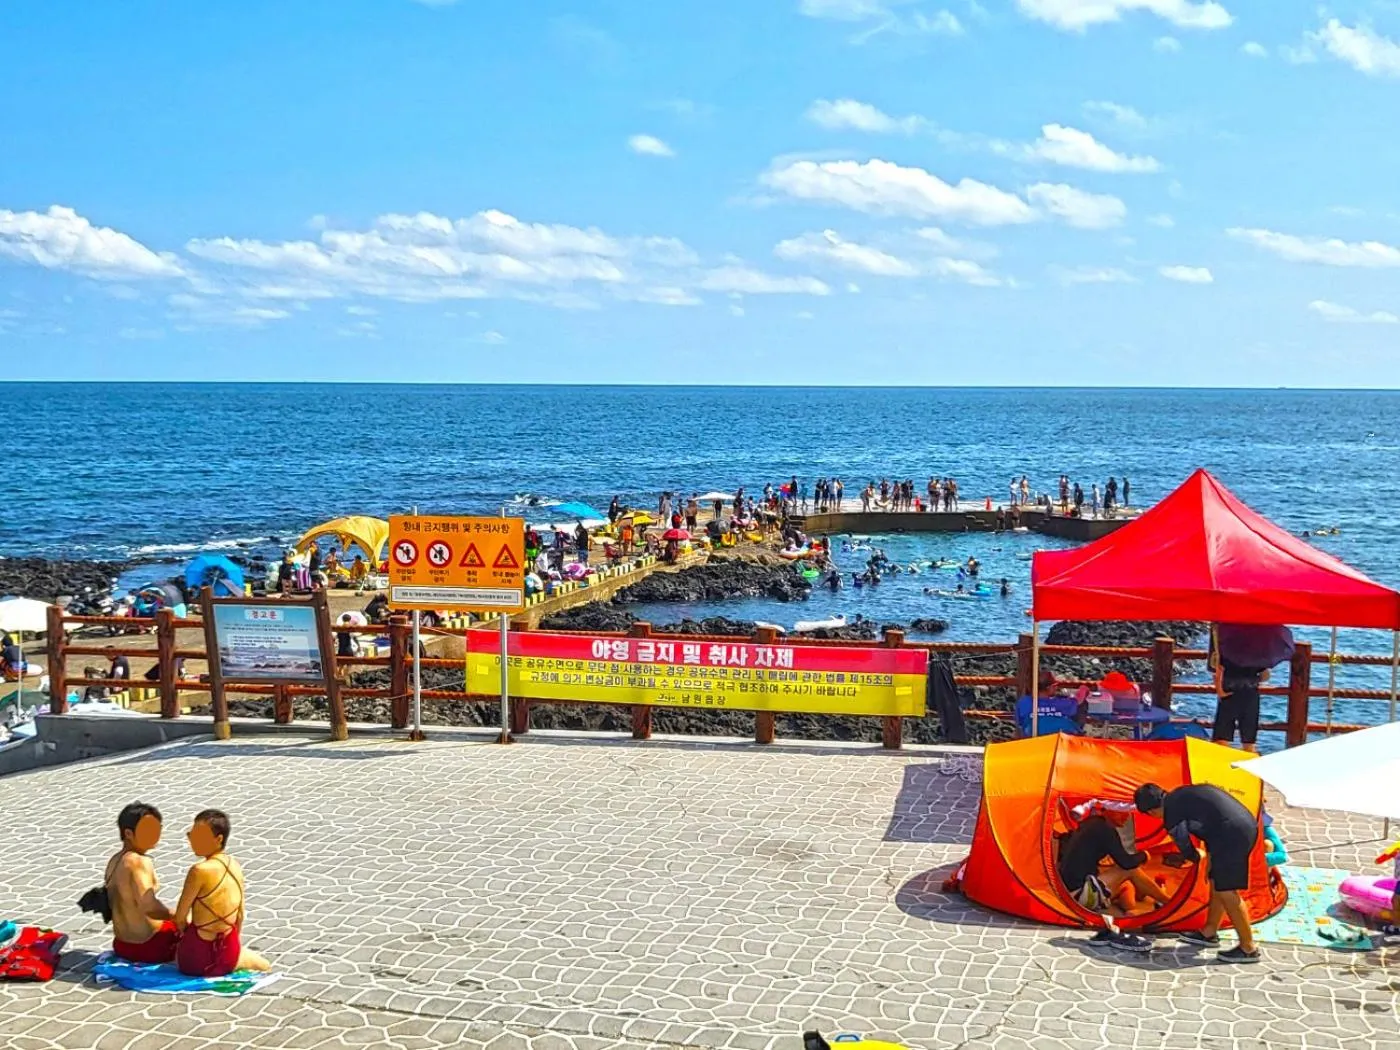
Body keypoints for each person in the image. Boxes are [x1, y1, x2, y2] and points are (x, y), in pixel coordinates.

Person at [1134, 782, 1262, 963]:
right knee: (1216, 880)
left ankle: (1248, 947)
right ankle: (1209, 932)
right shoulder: (1181, 793)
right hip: (1239, 825)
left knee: (1227, 890)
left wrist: (1195, 858)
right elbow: (1212, 820)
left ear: (1151, 812)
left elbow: (1185, 847)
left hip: (1232, 834)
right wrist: (1209, 858)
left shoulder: (1171, 813)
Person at [172, 809, 270, 977]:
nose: (193, 841)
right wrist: (232, 946)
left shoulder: (198, 871)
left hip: (196, 958)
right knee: (265, 965)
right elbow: (240, 916)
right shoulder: (235, 866)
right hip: (228, 952)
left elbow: (180, 918)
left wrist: (186, 936)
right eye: (191, 835)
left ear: (219, 839)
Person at [1055, 804, 1171, 924]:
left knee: (1127, 885)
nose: (1126, 817)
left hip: (1069, 892)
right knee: (1130, 870)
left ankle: (1132, 910)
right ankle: (1168, 902)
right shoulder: (1105, 830)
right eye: (1121, 812)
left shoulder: (1092, 823)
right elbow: (1126, 863)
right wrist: (1144, 855)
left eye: (1128, 813)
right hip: (1079, 896)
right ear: (1107, 809)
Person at [104, 801, 179, 964]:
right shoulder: (138, 862)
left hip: (122, 945)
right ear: (129, 834)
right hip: (150, 946)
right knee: (198, 917)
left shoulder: (114, 860)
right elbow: (150, 907)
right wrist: (178, 916)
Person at [1211, 648, 1266, 753]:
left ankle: (1220, 767)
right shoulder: (1258, 648)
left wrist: (1220, 691)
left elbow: (1217, 671)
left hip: (1229, 693)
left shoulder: (1224, 644)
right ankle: (1249, 767)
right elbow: (1265, 675)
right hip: (1250, 694)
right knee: (1249, 742)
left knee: (1221, 740)